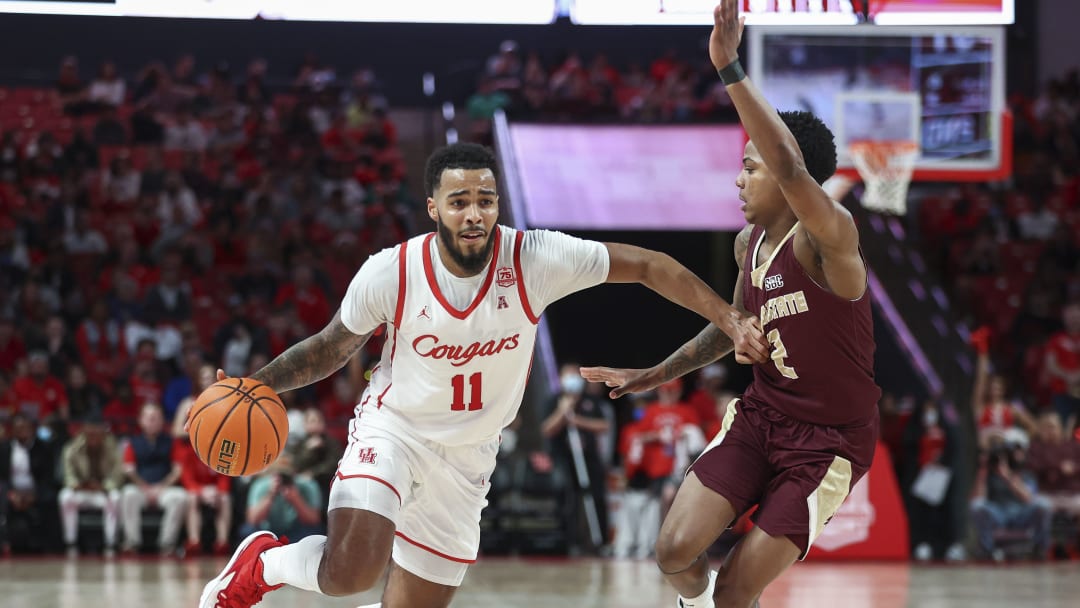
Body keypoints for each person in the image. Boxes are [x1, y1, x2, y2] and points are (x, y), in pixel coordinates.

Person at [195, 141, 768, 608]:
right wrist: (257, 384)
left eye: (486, 200)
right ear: (433, 208)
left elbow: (649, 266)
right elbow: (329, 348)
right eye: (460, 200)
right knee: (349, 572)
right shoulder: (390, 271)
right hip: (393, 431)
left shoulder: (536, 259)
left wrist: (731, 318)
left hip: (470, 456)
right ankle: (262, 563)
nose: (475, 213)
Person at [581, 3, 882, 606]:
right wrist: (653, 375)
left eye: (750, 167)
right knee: (672, 552)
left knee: (738, 592)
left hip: (829, 442)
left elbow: (790, 163)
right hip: (761, 416)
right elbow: (731, 328)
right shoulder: (750, 244)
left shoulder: (830, 237)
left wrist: (729, 67)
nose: (739, 180)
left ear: (782, 174)